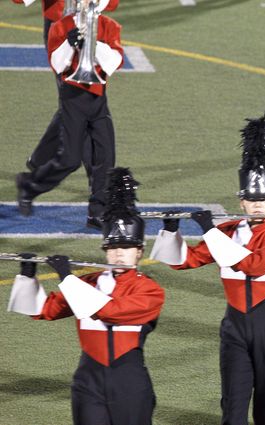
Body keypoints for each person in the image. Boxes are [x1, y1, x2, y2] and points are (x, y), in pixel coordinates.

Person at [150, 112, 265, 425]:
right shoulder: (228, 231)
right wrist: (169, 230)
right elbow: (182, 261)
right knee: (231, 411)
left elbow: (251, 265)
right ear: (241, 202)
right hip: (233, 328)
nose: (258, 205)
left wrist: (210, 231)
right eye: (251, 199)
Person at [7, 167, 165, 424]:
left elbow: (110, 311)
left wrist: (67, 278)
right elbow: (43, 310)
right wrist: (27, 276)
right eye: (113, 248)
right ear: (105, 250)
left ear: (139, 251)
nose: (119, 254)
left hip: (129, 381)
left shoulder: (150, 290)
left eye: (127, 247)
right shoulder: (87, 283)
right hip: (88, 379)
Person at [16, 0, 123, 228]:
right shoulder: (62, 27)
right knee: (73, 142)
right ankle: (37, 177)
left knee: (102, 150)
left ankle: (97, 207)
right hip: (62, 27)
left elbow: (110, 4)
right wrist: (68, 42)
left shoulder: (109, 25)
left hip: (94, 35)